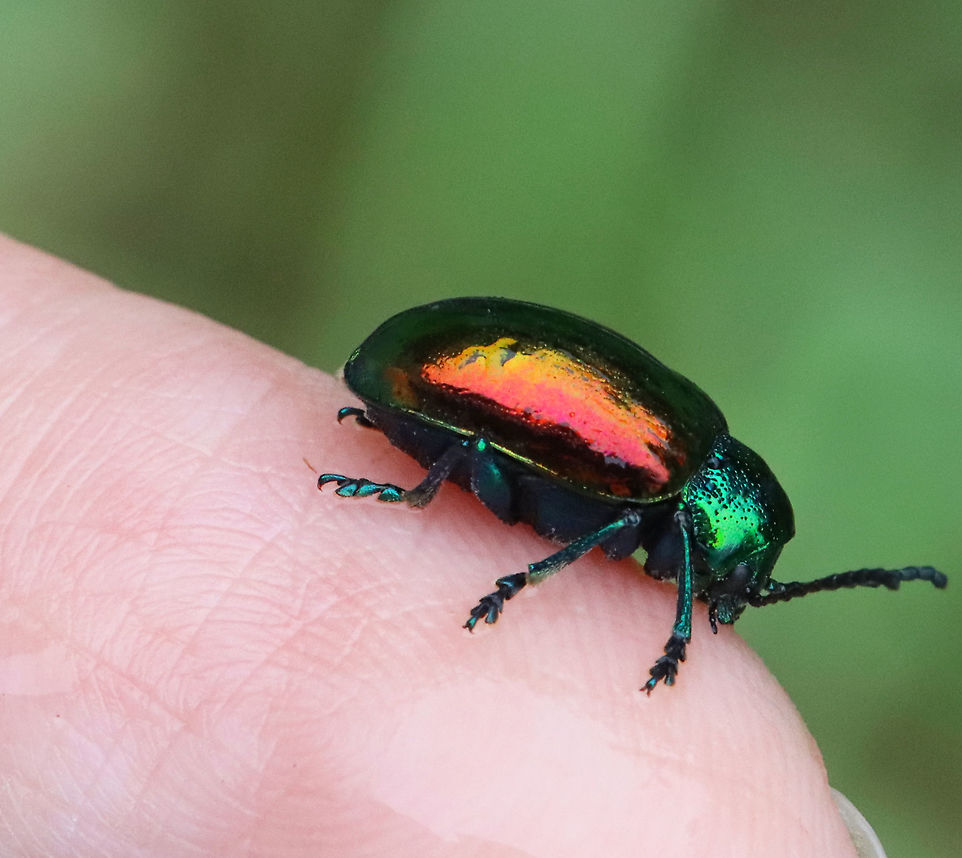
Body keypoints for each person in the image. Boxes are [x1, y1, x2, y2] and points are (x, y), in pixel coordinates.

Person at [0, 235, 878, 856]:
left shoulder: (684, 465)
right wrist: (660, 630)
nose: (735, 593)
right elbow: (627, 529)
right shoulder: (655, 481)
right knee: (509, 471)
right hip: (438, 396)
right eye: (738, 578)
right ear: (722, 523)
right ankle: (410, 490)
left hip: (473, 402)